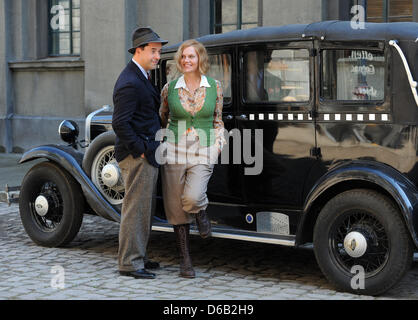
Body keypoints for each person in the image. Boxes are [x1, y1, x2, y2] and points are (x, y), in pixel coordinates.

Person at [159, 39, 226, 278]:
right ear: (180, 60)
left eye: (192, 56)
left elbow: (218, 119)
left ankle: (200, 212)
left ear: (200, 60)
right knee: (177, 208)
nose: (187, 60)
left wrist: (218, 145)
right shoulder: (170, 88)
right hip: (175, 149)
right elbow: (163, 116)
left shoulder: (215, 87)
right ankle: (185, 260)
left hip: (204, 147)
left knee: (193, 196)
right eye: (184, 57)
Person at [112, 27, 168, 279]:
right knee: (135, 209)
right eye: (154, 51)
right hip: (137, 156)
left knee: (144, 208)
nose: (158, 56)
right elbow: (120, 123)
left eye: (159, 51)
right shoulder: (130, 82)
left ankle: (139, 256)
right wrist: (141, 151)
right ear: (139, 50)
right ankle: (129, 263)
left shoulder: (141, 76)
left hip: (146, 152)